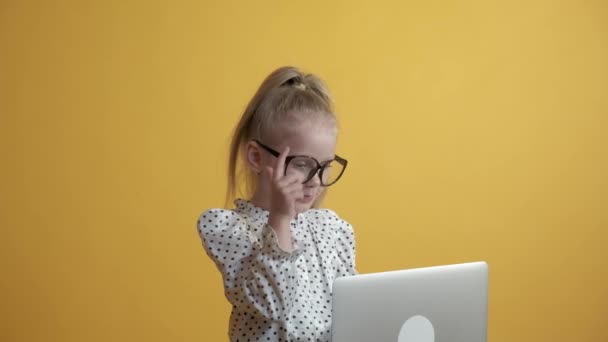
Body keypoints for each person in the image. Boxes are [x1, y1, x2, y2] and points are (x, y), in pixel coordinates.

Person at [197, 66, 356, 341]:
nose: (315, 180)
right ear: (257, 158)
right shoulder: (228, 229)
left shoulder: (332, 228)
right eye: (302, 164)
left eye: (325, 165)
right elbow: (271, 304)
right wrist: (281, 219)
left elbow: (356, 314)